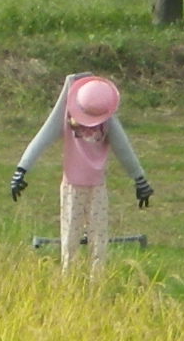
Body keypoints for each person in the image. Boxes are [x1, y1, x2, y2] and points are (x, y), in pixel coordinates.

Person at [11, 73, 150, 274]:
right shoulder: (66, 113)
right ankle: (68, 284)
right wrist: (21, 170)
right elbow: (43, 136)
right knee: (70, 239)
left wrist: (139, 179)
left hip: (97, 186)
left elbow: (122, 147)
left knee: (99, 238)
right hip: (72, 187)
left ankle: (98, 285)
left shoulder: (105, 115)